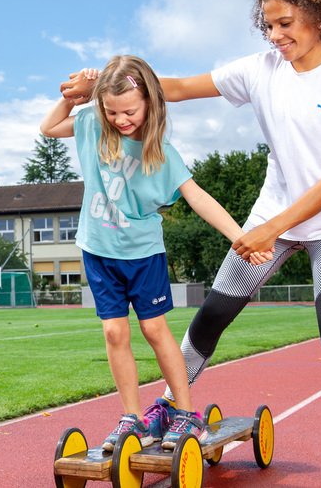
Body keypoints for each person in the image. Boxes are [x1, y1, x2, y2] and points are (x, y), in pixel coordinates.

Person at [62, 0, 321, 486]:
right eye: (267, 25)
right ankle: (169, 408)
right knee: (214, 313)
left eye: (284, 23)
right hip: (272, 218)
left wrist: (269, 229)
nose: (275, 36)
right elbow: (169, 88)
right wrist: (108, 78)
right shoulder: (260, 69)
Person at [41, 55, 271, 452]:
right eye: (111, 111)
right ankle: (131, 417)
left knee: (153, 329)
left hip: (143, 254)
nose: (120, 119)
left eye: (128, 110)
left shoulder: (162, 152)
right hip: (98, 249)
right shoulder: (93, 124)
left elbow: (198, 197)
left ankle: (185, 413)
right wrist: (74, 96)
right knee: (114, 332)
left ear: (149, 102)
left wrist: (241, 237)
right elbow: (48, 128)